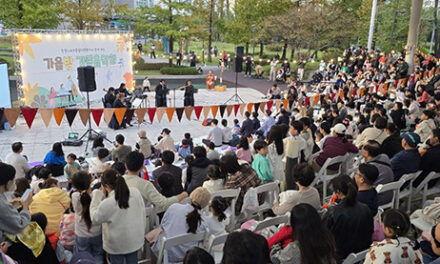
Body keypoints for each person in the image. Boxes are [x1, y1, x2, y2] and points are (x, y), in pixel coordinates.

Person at [90, 169, 146, 264]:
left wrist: (97, 195)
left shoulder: (107, 203)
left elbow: (94, 218)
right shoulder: (135, 192)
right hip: (134, 239)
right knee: (133, 261)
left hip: (116, 245)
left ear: (106, 186)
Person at [152, 187, 211, 263]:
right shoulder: (204, 221)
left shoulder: (174, 207)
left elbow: (163, 226)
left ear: (191, 197)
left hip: (167, 254)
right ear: (206, 204)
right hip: (189, 257)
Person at [325, 175, 374, 260]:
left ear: (338, 192)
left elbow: (325, 233)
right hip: (362, 252)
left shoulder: (334, 211)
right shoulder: (365, 208)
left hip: (340, 254)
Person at [271, 204, 337, 264]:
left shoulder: (294, 249)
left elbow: (275, 259)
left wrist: (277, 243)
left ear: (295, 226)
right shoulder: (329, 238)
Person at [123, 151, 187, 210]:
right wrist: (182, 195)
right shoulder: (145, 185)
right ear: (142, 166)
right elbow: (163, 203)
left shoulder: (118, 181)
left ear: (125, 166)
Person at [71, 171, 103, 264]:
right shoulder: (97, 193)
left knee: (83, 257)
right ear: (90, 181)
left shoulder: (74, 196)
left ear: (74, 186)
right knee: (98, 255)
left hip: (81, 233)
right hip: (97, 232)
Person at [362, 140, 394, 206]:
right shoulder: (385, 160)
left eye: (362, 147)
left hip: (376, 199)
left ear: (366, 153)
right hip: (388, 196)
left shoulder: (369, 168)